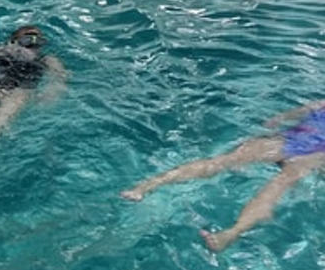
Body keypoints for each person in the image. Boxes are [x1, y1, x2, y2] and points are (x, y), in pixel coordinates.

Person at [120, 100, 325, 252]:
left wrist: (278, 120)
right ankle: (231, 233)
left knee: (222, 161)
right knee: (278, 185)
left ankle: (146, 186)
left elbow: (292, 114)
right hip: (315, 153)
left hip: (292, 140)